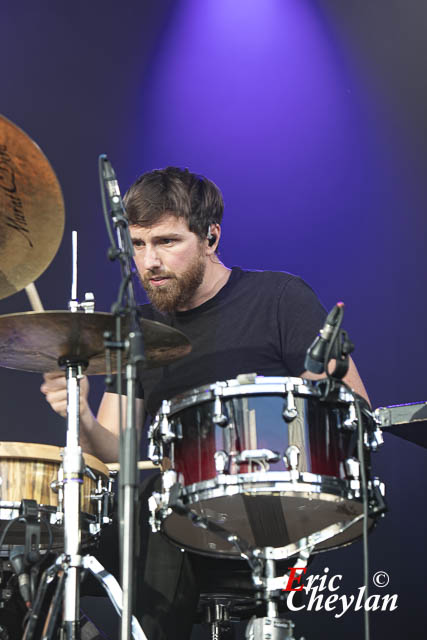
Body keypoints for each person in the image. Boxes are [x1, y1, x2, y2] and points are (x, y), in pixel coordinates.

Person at [41, 167, 369, 639]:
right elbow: (115, 457)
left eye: (166, 242)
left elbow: (352, 405)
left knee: (160, 511)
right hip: (167, 519)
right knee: (32, 550)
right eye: (137, 244)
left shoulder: (279, 299)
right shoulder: (140, 331)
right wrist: (82, 415)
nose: (148, 261)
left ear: (210, 237)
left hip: (271, 519)